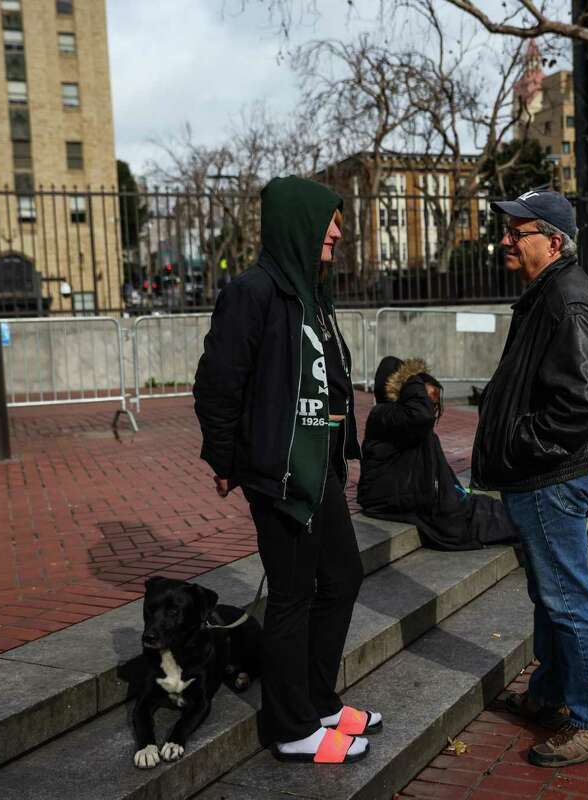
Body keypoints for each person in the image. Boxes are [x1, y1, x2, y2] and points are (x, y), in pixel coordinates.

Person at [193, 176, 378, 766]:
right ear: (298, 221)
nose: (338, 230)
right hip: (278, 474)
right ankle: (290, 725)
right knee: (293, 594)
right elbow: (218, 385)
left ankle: (318, 700)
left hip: (318, 468)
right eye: (329, 219)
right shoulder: (252, 293)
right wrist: (225, 458)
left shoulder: (312, 294)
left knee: (343, 577)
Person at [472, 190, 588, 767]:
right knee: (551, 597)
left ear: (553, 240)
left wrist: (515, 445)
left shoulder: (568, 299)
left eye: (520, 231)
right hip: (540, 475)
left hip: (547, 477)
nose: (507, 239)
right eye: (507, 230)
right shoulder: (548, 294)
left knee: (566, 599)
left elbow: (582, 402)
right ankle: (553, 695)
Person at [357, 356, 518, 551]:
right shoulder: (383, 415)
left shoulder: (402, 421)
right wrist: (413, 378)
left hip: (410, 496)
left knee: (505, 512)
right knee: (506, 521)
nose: (432, 408)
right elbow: (421, 415)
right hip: (387, 499)